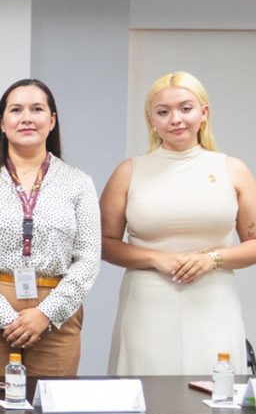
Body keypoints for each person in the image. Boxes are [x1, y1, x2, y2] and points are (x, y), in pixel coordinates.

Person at [101, 71, 256, 375]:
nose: (176, 119)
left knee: (216, 389)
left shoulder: (232, 169)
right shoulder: (129, 171)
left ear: (204, 112)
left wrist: (212, 259)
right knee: (148, 390)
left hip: (214, 301)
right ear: (152, 119)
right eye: (163, 112)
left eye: (186, 108)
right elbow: (103, 243)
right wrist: (155, 259)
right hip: (146, 304)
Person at [0, 79, 100, 377]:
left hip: (56, 316)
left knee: (49, 403)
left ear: (52, 121)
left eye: (37, 109)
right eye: (16, 110)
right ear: (2, 123)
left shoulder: (78, 183)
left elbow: (88, 257)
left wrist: (46, 314)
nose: (27, 118)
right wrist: (5, 318)